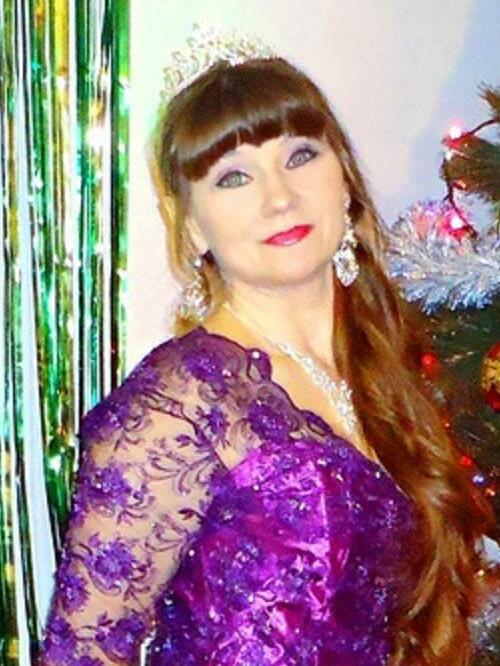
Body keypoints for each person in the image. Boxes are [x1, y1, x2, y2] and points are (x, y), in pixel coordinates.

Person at [39, 25, 494, 666]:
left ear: (345, 181)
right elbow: (80, 652)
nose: (279, 197)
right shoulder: (176, 406)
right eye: (233, 177)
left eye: (300, 156)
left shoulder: (383, 361)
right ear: (191, 226)